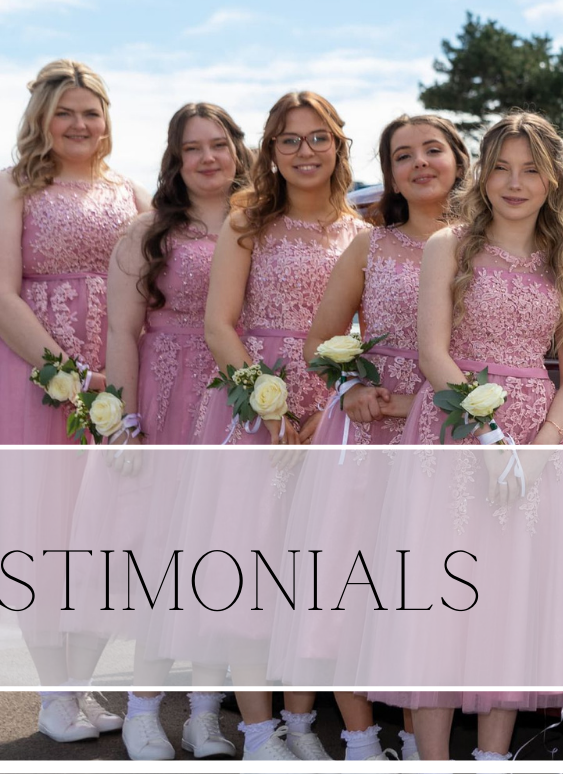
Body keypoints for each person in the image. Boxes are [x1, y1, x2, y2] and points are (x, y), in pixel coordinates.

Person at [363, 112, 563, 762]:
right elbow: (432, 352)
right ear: (484, 172)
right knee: (443, 598)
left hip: (538, 439)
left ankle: (494, 756)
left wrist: (543, 443)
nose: (515, 182)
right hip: (454, 432)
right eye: (502, 166)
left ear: (553, 179)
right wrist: (490, 438)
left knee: (510, 601)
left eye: (531, 169)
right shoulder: (450, 244)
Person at [0, 59, 145, 744]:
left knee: (107, 530)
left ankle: (79, 680)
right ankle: (53, 692)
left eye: (91, 112)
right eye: (65, 113)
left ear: (107, 119)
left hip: (119, 367)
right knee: (46, 529)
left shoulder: (130, 191)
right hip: (34, 371)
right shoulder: (10, 187)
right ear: (41, 121)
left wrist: (120, 376)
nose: (80, 124)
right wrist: (69, 373)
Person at [266, 114, 469, 762]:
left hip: (447, 426)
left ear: (459, 160)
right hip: (371, 425)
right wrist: (349, 384)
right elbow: (320, 338)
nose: (420, 163)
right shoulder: (370, 247)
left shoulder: (486, 246)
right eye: (403, 155)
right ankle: (358, 738)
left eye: (432, 150)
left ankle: (419, 736)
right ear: (390, 174)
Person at [177, 90, 366, 761]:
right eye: (290, 140)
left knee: (312, 574)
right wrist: (272, 405)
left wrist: (329, 407)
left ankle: (303, 721)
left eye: (318, 138)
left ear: (339, 145)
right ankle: (258, 732)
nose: (305, 151)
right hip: (254, 405)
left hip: (332, 412)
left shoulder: (361, 231)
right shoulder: (247, 222)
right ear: (271, 151)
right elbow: (217, 323)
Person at [78, 102, 253, 760]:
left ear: (238, 149)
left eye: (218, 144)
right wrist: (122, 420)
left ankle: (204, 714)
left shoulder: (259, 224)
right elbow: (121, 330)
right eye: (191, 149)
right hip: (168, 393)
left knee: (223, 555)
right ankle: (144, 708)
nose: (207, 158)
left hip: (235, 399)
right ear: (176, 162)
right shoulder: (147, 232)